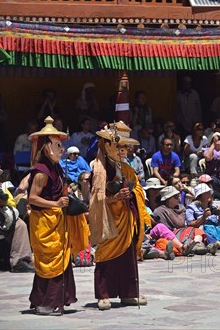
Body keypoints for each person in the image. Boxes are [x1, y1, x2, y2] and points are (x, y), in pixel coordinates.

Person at [27, 117, 88, 315]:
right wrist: (55, 203)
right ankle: (46, 303)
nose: (62, 149)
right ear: (46, 148)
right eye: (58, 145)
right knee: (50, 261)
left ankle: (51, 301)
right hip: (45, 222)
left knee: (60, 260)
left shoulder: (56, 167)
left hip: (58, 221)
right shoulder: (41, 171)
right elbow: (32, 198)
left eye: (62, 145)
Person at [89, 121, 152, 310]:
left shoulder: (127, 169)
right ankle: (103, 294)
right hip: (110, 220)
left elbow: (139, 188)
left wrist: (132, 193)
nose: (123, 150)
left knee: (128, 257)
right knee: (105, 255)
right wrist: (115, 197)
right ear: (107, 145)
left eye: (125, 147)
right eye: (118, 145)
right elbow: (96, 200)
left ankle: (128, 294)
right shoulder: (100, 170)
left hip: (127, 218)